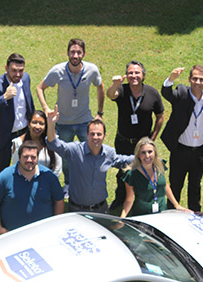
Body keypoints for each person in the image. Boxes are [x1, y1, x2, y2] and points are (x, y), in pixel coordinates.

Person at [36, 38, 105, 196]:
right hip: (64, 123)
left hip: (84, 122)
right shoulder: (58, 71)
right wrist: (46, 108)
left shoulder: (91, 70)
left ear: (84, 54)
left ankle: (89, 184)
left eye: (79, 52)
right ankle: (68, 184)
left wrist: (99, 113)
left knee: (91, 154)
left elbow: (100, 86)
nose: (75, 55)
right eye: (72, 52)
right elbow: (40, 88)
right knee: (66, 157)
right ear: (67, 53)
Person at [46, 106, 134, 214]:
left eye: (99, 134)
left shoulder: (108, 153)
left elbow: (123, 160)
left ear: (104, 136)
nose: (95, 137)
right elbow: (54, 144)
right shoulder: (75, 151)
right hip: (77, 210)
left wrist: (144, 157)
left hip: (101, 209)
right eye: (92, 134)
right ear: (87, 135)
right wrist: (51, 123)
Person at [106, 60, 165, 210]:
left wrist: (153, 138)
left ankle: (141, 199)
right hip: (123, 141)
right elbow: (110, 95)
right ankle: (120, 199)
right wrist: (115, 84)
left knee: (144, 171)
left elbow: (160, 116)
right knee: (122, 172)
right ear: (126, 75)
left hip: (143, 144)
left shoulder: (152, 93)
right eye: (130, 73)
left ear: (143, 75)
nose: (134, 76)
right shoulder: (122, 90)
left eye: (137, 72)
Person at [160, 65, 203, 212]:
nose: (197, 82)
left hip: (200, 150)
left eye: (201, 79)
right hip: (180, 149)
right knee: (176, 184)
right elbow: (167, 93)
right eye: (194, 79)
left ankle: (195, 213)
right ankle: (171, 212)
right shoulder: (182, 93)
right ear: (189, 79)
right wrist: (171, 78)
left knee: (195, 184)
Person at [0, 53, 36, 193]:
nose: (18, 74)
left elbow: (29, 104)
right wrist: (4, 97)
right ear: (6, 68)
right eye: (14, 70)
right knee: (0, 174)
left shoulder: (26, 78)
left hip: (24, 135)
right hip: (5, 138)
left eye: (21, 70)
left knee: (26, 168)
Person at [0, 140, 64, 234]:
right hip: (12, 235)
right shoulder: (5, 176)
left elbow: (59, 201)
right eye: (25, 157)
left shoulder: (49, 177)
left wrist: (54, 225)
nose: (29, 160)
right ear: (19, 157)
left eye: (33, 157)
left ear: (37, 158)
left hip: (43, 234)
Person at [120, 137, 189, 218]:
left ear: (155, 153)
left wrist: (176, 205)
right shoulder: (131, 175)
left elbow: (164, 185)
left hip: (162, 212)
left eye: (150, 152)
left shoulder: (160, 165)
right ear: (138, 154)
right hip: (143, 215)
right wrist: (122, 217)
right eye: (143, 152)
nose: (147, 156)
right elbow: (129, 200)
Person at [11, 110, 63, 179]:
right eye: (34, 123)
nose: (37, 126)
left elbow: (57, 167)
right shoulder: (18, 143)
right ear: (29, 124)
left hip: (48, 184)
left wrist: (50, 184)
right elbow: (16, 168)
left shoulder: (52, 142)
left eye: (41, 123)